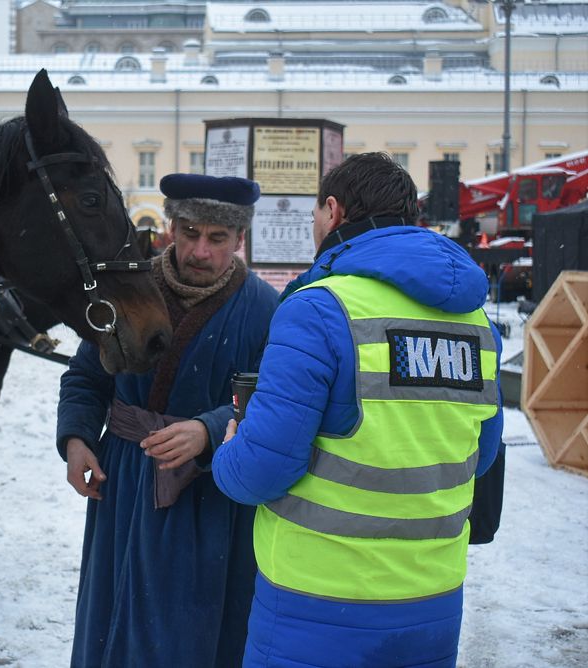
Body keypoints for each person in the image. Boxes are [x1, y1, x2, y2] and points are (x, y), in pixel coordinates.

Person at [213, 152, 503, 667]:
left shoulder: (320, 308)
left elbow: (261, 473)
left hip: (316, 602)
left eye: (314, 217)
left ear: (333, 211)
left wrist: (229, 449)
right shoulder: (475, 320)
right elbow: (480, 456)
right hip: (433, 600)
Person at [56, 173, 279, 667]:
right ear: (171, 229)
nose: (201, 251)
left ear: (239, 240)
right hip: (125, 484)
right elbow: (86, 377)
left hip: (210, 494)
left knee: (194, 627)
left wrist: (209, 429)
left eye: (217, 238)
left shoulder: (263, 308)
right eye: (190, 233)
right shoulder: (129, 292)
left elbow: (271, 395)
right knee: (112, 617)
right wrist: (75, 438)